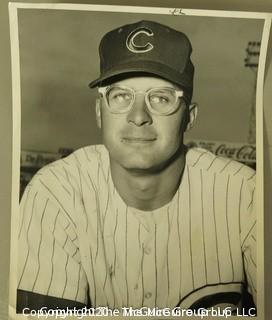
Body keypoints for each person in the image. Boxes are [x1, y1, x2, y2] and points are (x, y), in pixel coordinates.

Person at [17, 20, 256, 314]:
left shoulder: (247, 196)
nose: (139, 116)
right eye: (120, 96)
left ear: (189, 117)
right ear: (99, 112)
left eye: (160, 98)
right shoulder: (55, 193)